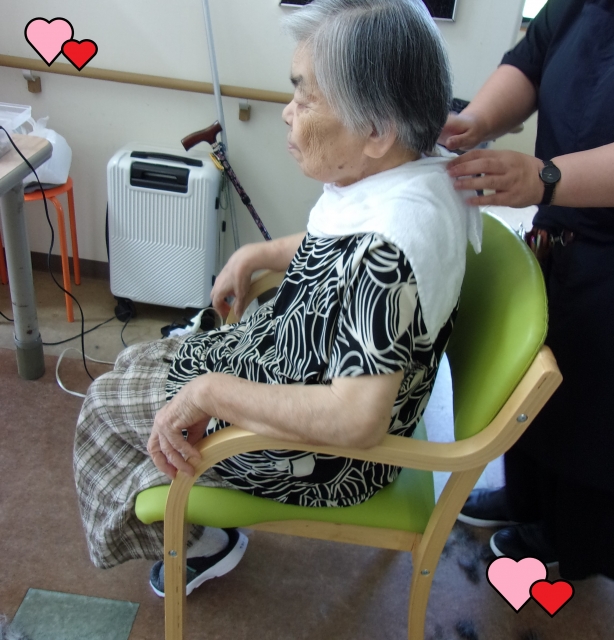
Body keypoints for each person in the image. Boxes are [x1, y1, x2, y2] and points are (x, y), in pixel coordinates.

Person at [74, 0, 480, 597]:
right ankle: (190, 484)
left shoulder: (388, 251)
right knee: (140, 364)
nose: (287, 113)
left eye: (305, 98)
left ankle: (202, 539)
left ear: (376, 131)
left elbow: (355, 419)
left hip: (324, 458)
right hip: (299, 371)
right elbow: (334, 248)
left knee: (104, 404)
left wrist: (210, 392)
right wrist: (256, 254)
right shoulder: (410, 173)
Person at [439, 0, 614, 580]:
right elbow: (530, 62)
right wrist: (476, 122)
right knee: (533, 387)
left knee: (590, 409)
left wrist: (545, 177)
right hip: (559, 238)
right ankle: (527, 501)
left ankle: (571, 543)